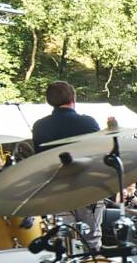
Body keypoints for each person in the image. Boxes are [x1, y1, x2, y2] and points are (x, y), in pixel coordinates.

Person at [30, 81, 104, 238]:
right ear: (73, 98)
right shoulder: (87, 122)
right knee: (91, 239)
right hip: (87, 189)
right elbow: (100, 155)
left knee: (65, 241)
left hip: (56, 190)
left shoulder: (39, 126)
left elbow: (39, 159)